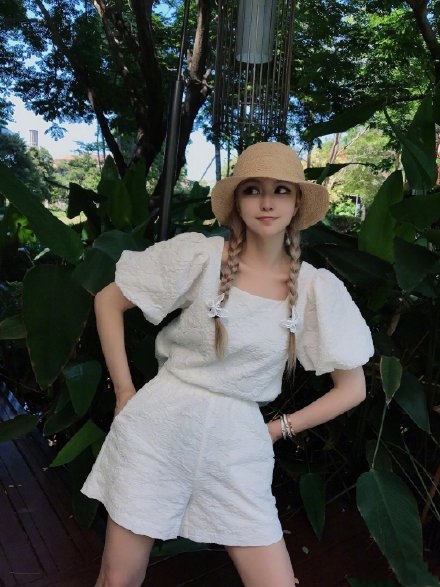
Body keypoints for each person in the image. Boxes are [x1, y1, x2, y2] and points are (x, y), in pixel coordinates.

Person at [82, 142, 374, 587]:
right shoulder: (200, 257)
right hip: (159, 427)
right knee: (118, 578)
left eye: (281, 190)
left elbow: (353, 388)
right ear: (237, 201)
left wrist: (276, 430)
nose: (267, 202)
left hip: (238, 442)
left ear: (297, 203)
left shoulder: (316, 289)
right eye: (253, 189)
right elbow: (108, 300)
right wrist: (125, 392)